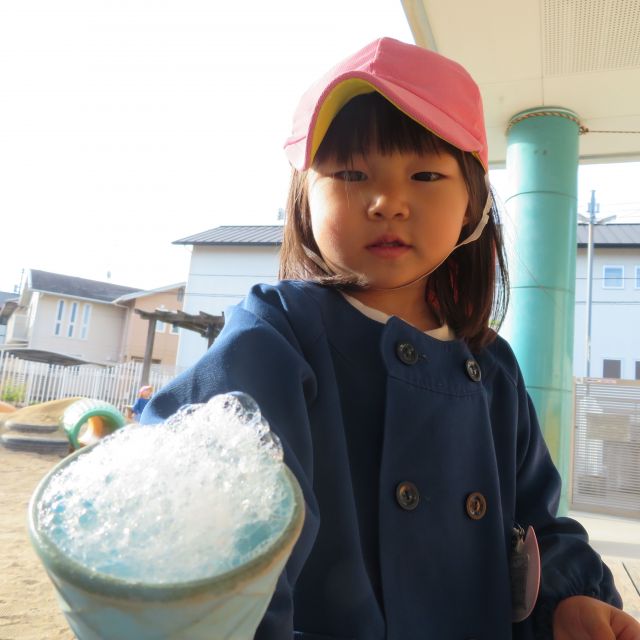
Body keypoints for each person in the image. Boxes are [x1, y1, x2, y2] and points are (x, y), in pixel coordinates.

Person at [142, 38, 640, 639]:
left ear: (472, 202)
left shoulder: (494, 368)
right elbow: (197, 527)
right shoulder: (274, 338)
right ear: (304, 199)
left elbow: (536, 525)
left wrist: (565, 603)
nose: (387, 202)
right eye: (352, 173)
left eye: (425, 173)